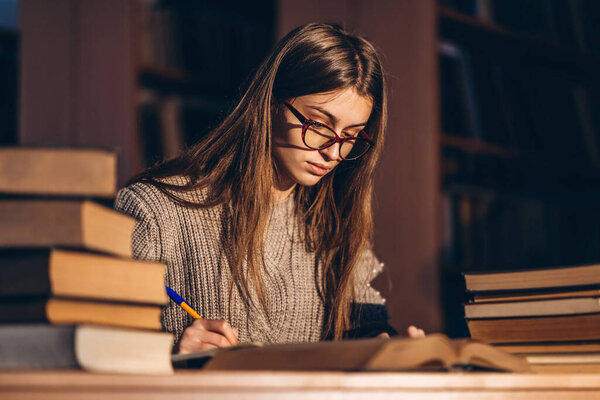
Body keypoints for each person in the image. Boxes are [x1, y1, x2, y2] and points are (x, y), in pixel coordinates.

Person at [114, 22, 424, 354]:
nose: (334, 153)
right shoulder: (154, 210)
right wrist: (170, 354)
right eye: (319, 125)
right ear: (271, 102)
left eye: (350, 137)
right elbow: (97, 351)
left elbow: (366, 329)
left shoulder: (335, 223)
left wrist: (388, 348)